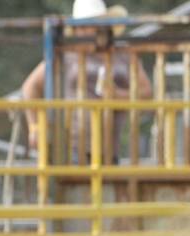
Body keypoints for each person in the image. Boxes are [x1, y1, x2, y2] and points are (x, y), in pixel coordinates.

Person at [19, 0, 152, 159]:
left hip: (109, 151)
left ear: (104, 26)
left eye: (90, 25)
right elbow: (30, 87)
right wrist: (35, 127)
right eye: (80, 27)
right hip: (73, 150)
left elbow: (146, 93)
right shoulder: (67, 54)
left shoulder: (124, 55)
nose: (84, 31)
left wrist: (117, 95)